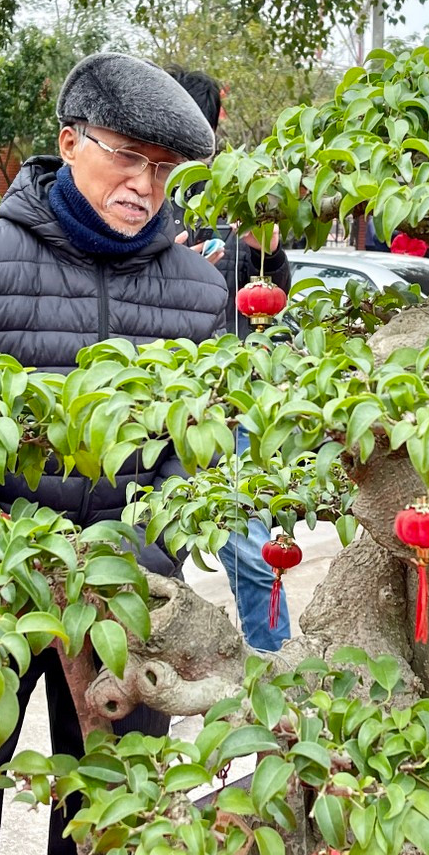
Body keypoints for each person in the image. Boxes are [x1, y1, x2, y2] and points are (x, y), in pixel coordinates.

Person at [0, 52, 226, 855]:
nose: (145, 184)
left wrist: (135, 562)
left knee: (110, 818)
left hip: (128, 597)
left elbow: (191, 454)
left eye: (165, 168)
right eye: (127, 156)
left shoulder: (199, 290)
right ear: (70, 142)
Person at [164, 65, 295, 651]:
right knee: (155, 544)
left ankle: (274, 663)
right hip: (157, 395)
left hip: (228, 400)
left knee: (245, 541)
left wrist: (268, 254)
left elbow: (271, 291)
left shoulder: (234, 194)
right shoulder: (146, 198)